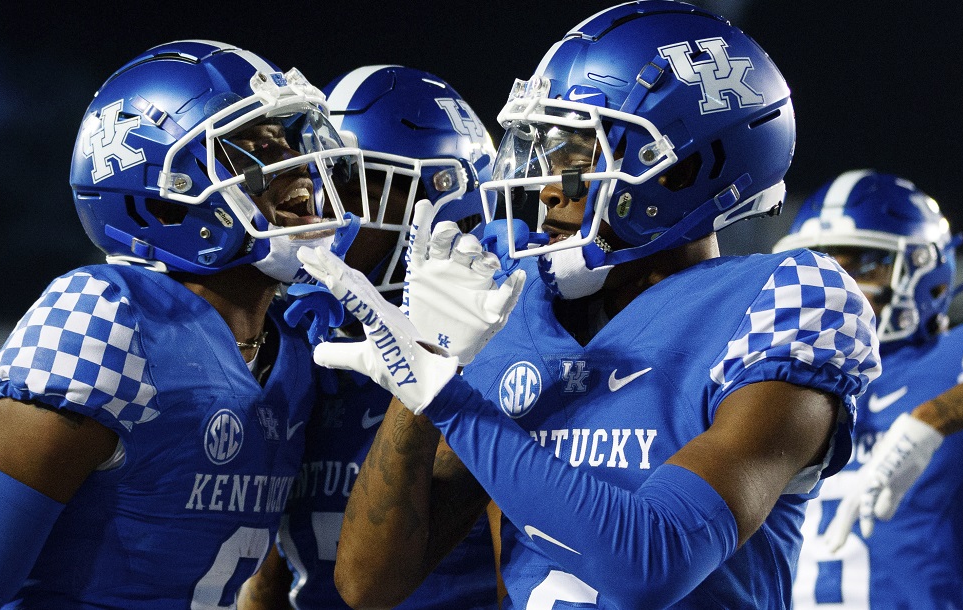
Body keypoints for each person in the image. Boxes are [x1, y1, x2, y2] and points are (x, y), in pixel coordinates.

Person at [295, 1, 883, 608]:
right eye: (545, 155)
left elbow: (652, 563)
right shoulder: (518, 309)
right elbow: (370, 582)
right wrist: (422, 364)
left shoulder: (786, 300)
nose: (548, 186)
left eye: (578, 156)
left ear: (685, 168)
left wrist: (453, 403)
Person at [0, 40, 365, 609]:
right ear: (163, 199)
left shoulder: (294, 350)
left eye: (285, 138)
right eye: (250, 145)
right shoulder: (105, 318)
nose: (292, 162)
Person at [238, 65, 501, 610]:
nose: (318, 210)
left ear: (441, 206)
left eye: (348, 184)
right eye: (314, 180)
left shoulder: (498, 359)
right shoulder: (293, 343)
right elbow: (263, 574)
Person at [774, 169, 963, 609]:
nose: (837, 289)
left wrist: (937, 417)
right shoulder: (772, 383)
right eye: (820, 265)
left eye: (863, 262)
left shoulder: (953, 360)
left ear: (928, 273)